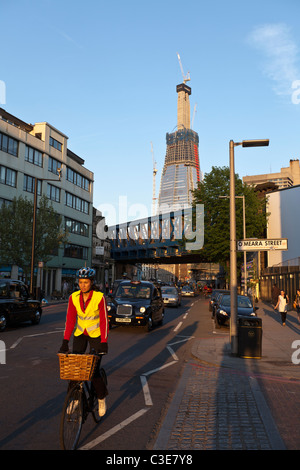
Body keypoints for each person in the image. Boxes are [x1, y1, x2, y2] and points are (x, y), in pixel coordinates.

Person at [59, 267, 109, 416]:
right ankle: (74, 399)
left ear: (91, 282)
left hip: (96, 335)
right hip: (80, 334)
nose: (83, 285)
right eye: (80, 282)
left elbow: (104, 321)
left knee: (93, 371)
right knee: (75, 369)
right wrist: (65, 341)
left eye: (86, 282)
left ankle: (101, 398)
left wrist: (104, 342)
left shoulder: (99, 297)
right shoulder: (73, 297)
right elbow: (70, 321)